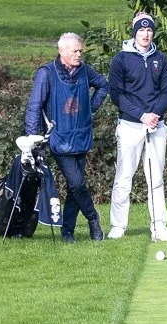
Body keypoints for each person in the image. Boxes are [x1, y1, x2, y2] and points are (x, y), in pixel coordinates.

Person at [24, 32, 108, 242]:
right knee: (78, 184)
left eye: (81, 50)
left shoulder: (84, 71)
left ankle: (67, 232)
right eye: (75, 51)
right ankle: (93, 218)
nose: (79, 54)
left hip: (81, 136)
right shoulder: (47, 73)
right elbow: (34, 106)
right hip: (59, 139)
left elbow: (103, 85)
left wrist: (91, 108)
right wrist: (33, 138)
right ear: (62, 51)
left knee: (74, 188)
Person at [106, 12, 167, 242]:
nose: (146, 34)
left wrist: (154, 114)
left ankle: (159, 227)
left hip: (156, 126)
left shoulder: (161, 59)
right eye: (141, 30)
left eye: (149, 30)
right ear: (134, 32)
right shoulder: (121, 59)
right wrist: (142, 115)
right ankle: (118, 225)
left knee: (156, 178)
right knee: (124, 177)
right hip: (130, 125)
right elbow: (117, 95)